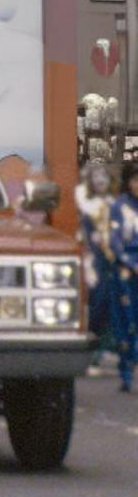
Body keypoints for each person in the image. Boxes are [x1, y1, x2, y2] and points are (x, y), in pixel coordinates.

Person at [77, 159, 116, 366]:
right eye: (96, 177)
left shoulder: (114, 203)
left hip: (114, 259)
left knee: (113, 301)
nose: (100, 180)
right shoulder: (86, 204)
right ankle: (92, 350)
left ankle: (107, 347)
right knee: (96, 301)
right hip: (93, 260)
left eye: (104, 176)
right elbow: (85, 235)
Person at [109, 158, 138, 395]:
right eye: (136, 179)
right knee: (126, 322)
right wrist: (131, 263)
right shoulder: (119, 206)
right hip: (126, 270)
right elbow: (115, 241)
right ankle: (126, 373)